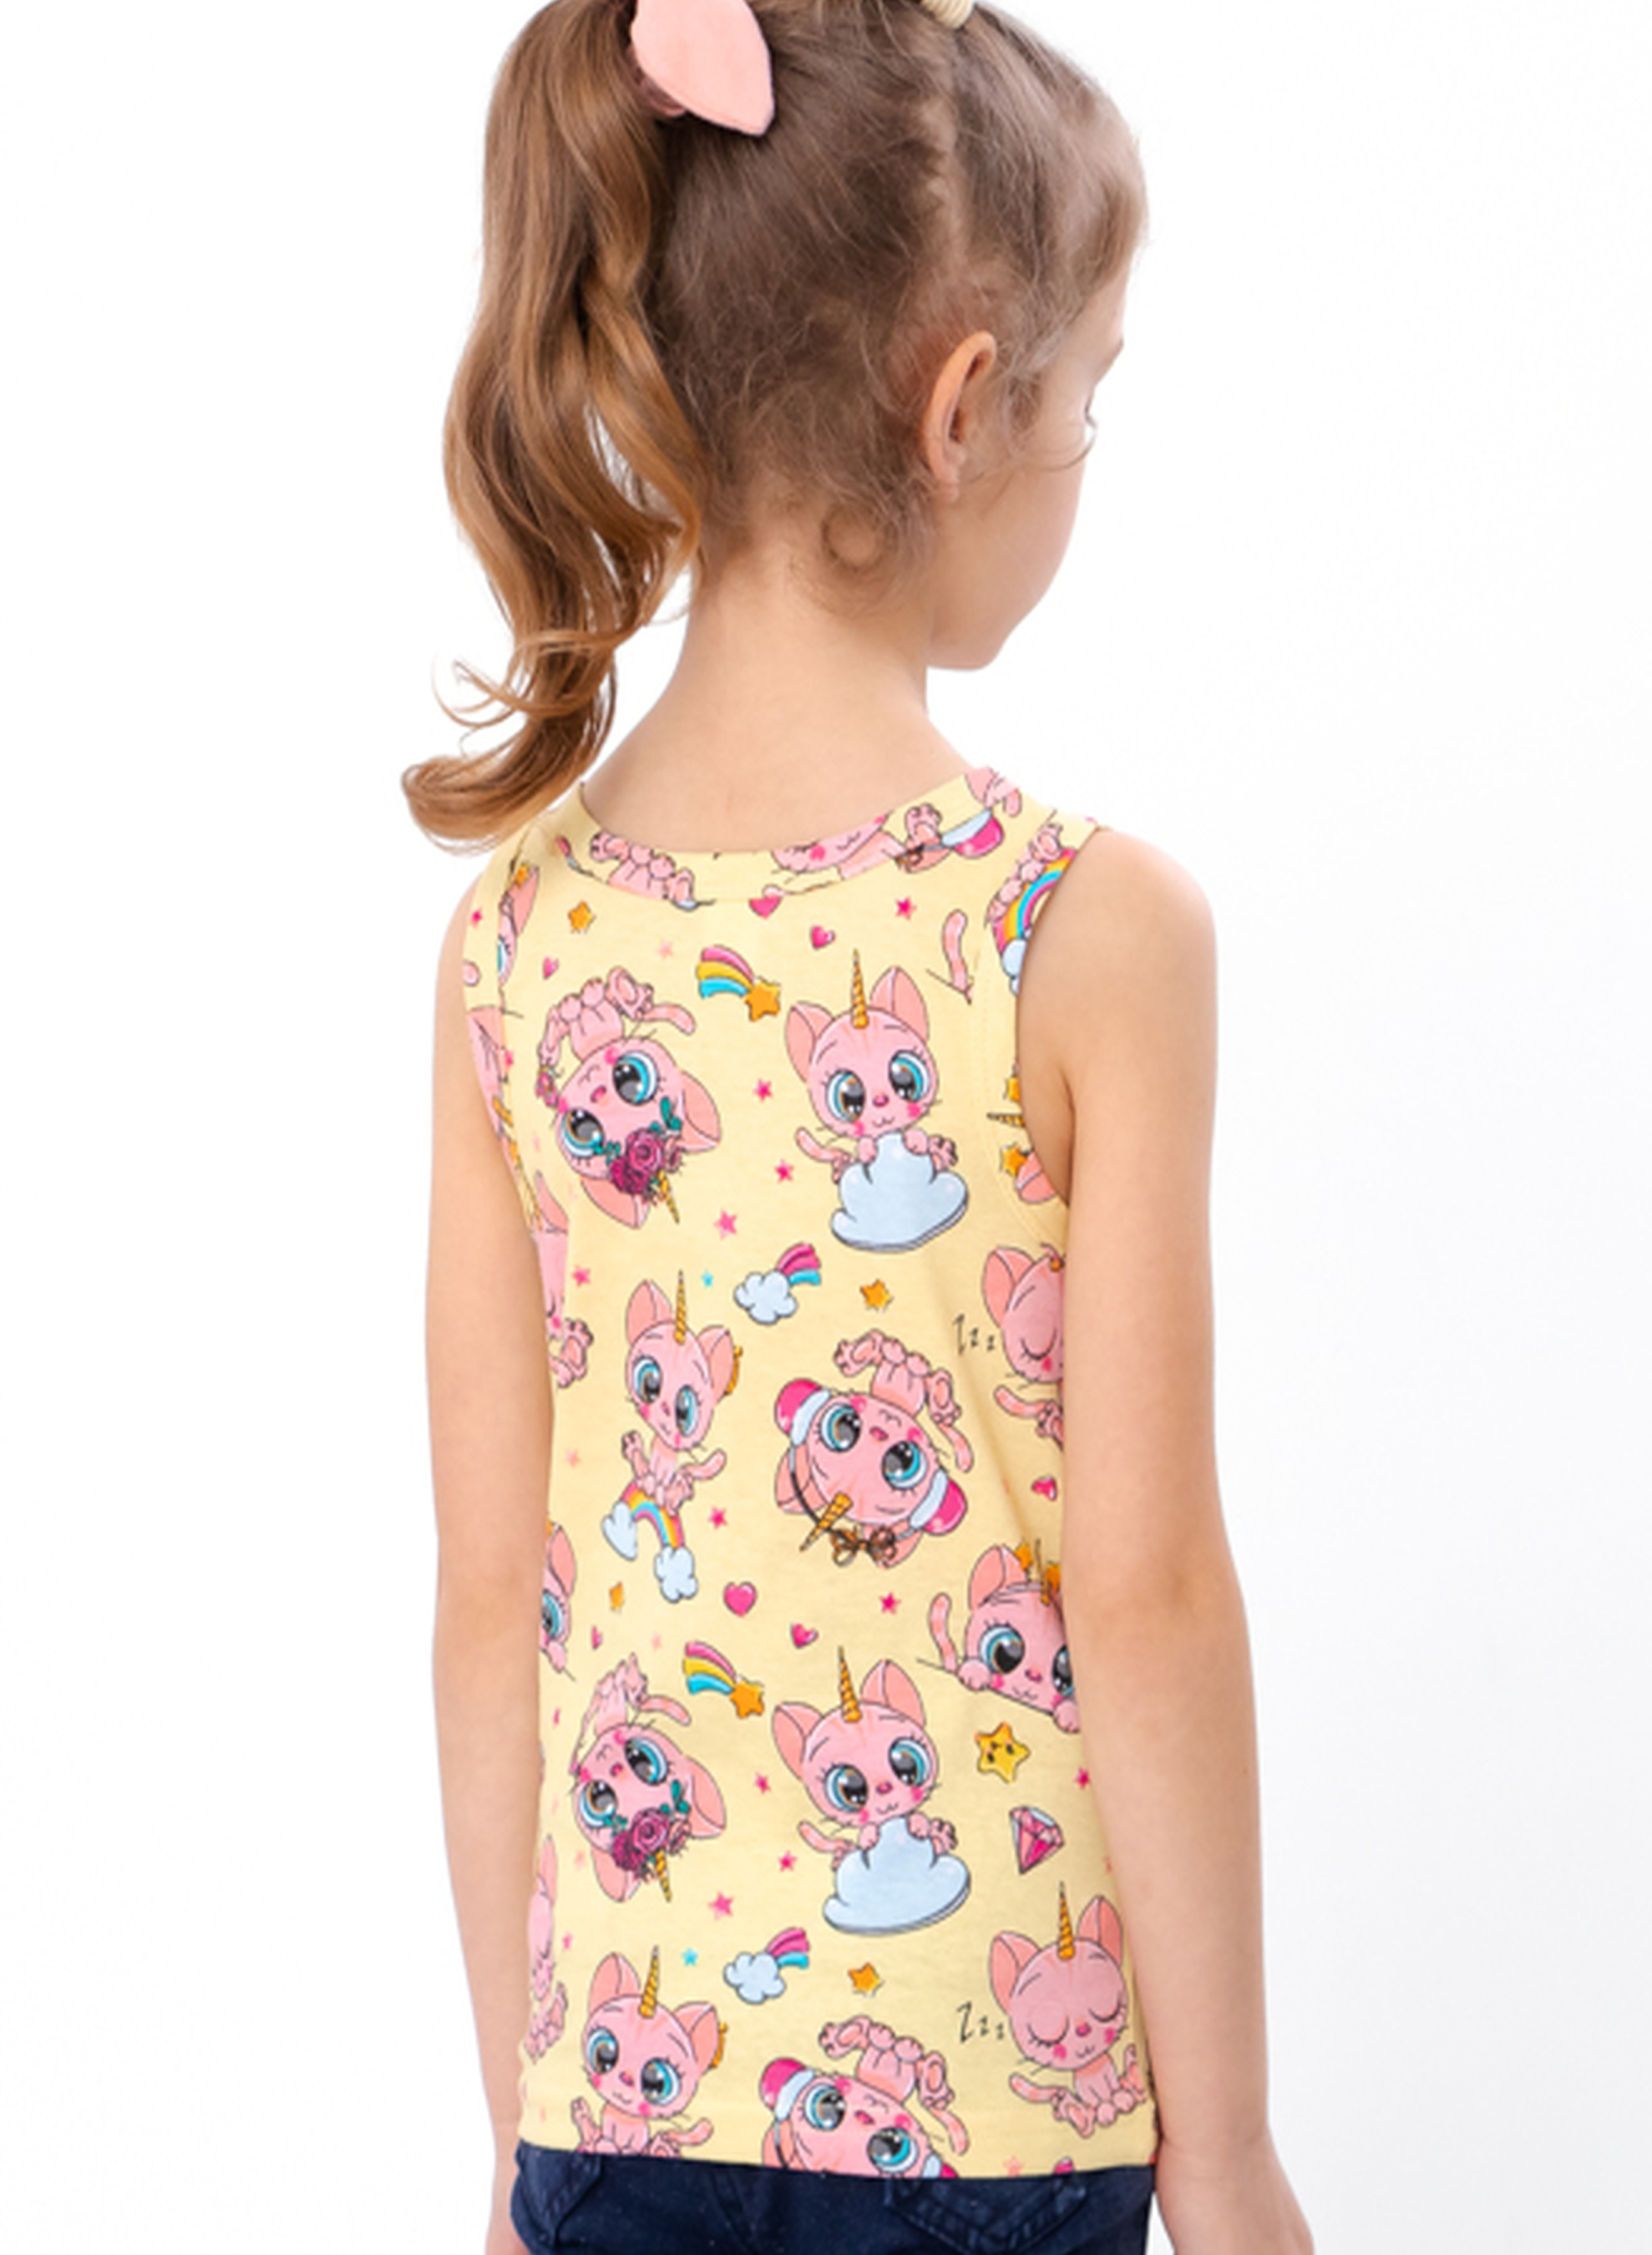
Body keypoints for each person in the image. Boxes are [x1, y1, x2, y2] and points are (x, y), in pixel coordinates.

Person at [409, 3, 1314, 2252]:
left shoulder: (517, 947)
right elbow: (1145, 1592)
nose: (1086, 447)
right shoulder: (1083, 929)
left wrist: (524, 2127)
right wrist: (1222, 2154)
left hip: (618, 2115)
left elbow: (491, 1602)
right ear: (961, 402)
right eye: (1089, 392)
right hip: (996, 2128)